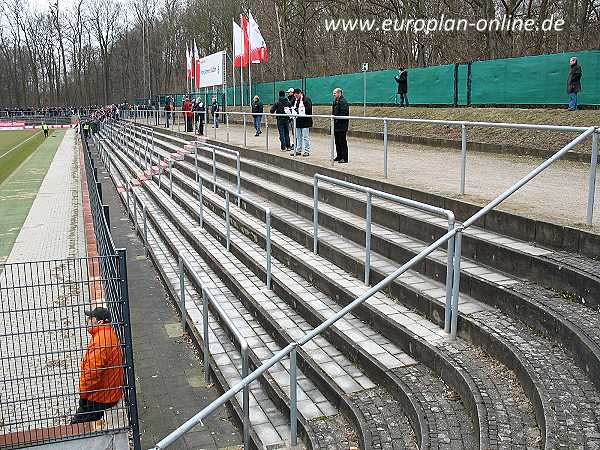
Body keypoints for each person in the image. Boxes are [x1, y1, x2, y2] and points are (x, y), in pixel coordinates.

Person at [71, 307, 124, 424]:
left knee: (75, 427)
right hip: (107, 392)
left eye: (91, 318)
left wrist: (83, 396)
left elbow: (92, 373)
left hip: (101, 397)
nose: (87, 320)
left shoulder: (101, 340)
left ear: (99, 322)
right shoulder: (106, 334)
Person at [291, 88, 313, 157]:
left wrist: (299, 110)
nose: (296, 97)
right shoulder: (294, 100)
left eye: (297, 95)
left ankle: (307, 151)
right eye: (295, 96)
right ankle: (298, 150)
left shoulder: (306, 99)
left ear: (300, 93)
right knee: (298, 137)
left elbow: (309, 109)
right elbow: (291, 106)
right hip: (297, 121)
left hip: (305, 121)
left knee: (305, 137)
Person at [332, 88, 349, 163]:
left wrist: (337, 119)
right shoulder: (335, 101)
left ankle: (344, 158)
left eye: (335, 93)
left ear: (339, 93)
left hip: (342, 125)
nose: (334, 95)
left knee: (342, 142)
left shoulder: (343, 101)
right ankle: (339, 156)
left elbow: (344, 113)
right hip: (336, 125)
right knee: (337, 141)